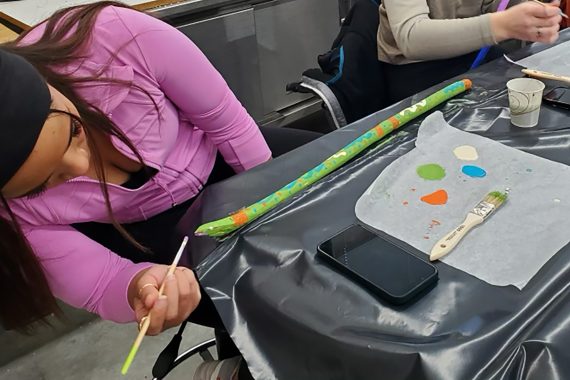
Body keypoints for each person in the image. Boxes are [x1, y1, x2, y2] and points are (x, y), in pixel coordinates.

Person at [0, 0, 321, 352]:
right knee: (278, 313)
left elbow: (227, 123)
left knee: (354, 184)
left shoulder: (113, 38)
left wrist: (272, 204)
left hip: (222, 158)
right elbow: (100, 280)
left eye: (73, 133)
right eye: (41, 186)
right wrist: (138, 284)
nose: (79, 168)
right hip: (140, 234)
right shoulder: (11, 214)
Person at [378, 0, 563, 102]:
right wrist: (503, 25)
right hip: (416, 71)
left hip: (473, 53)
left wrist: (530, 9)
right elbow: (412, 37)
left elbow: (489, 5)